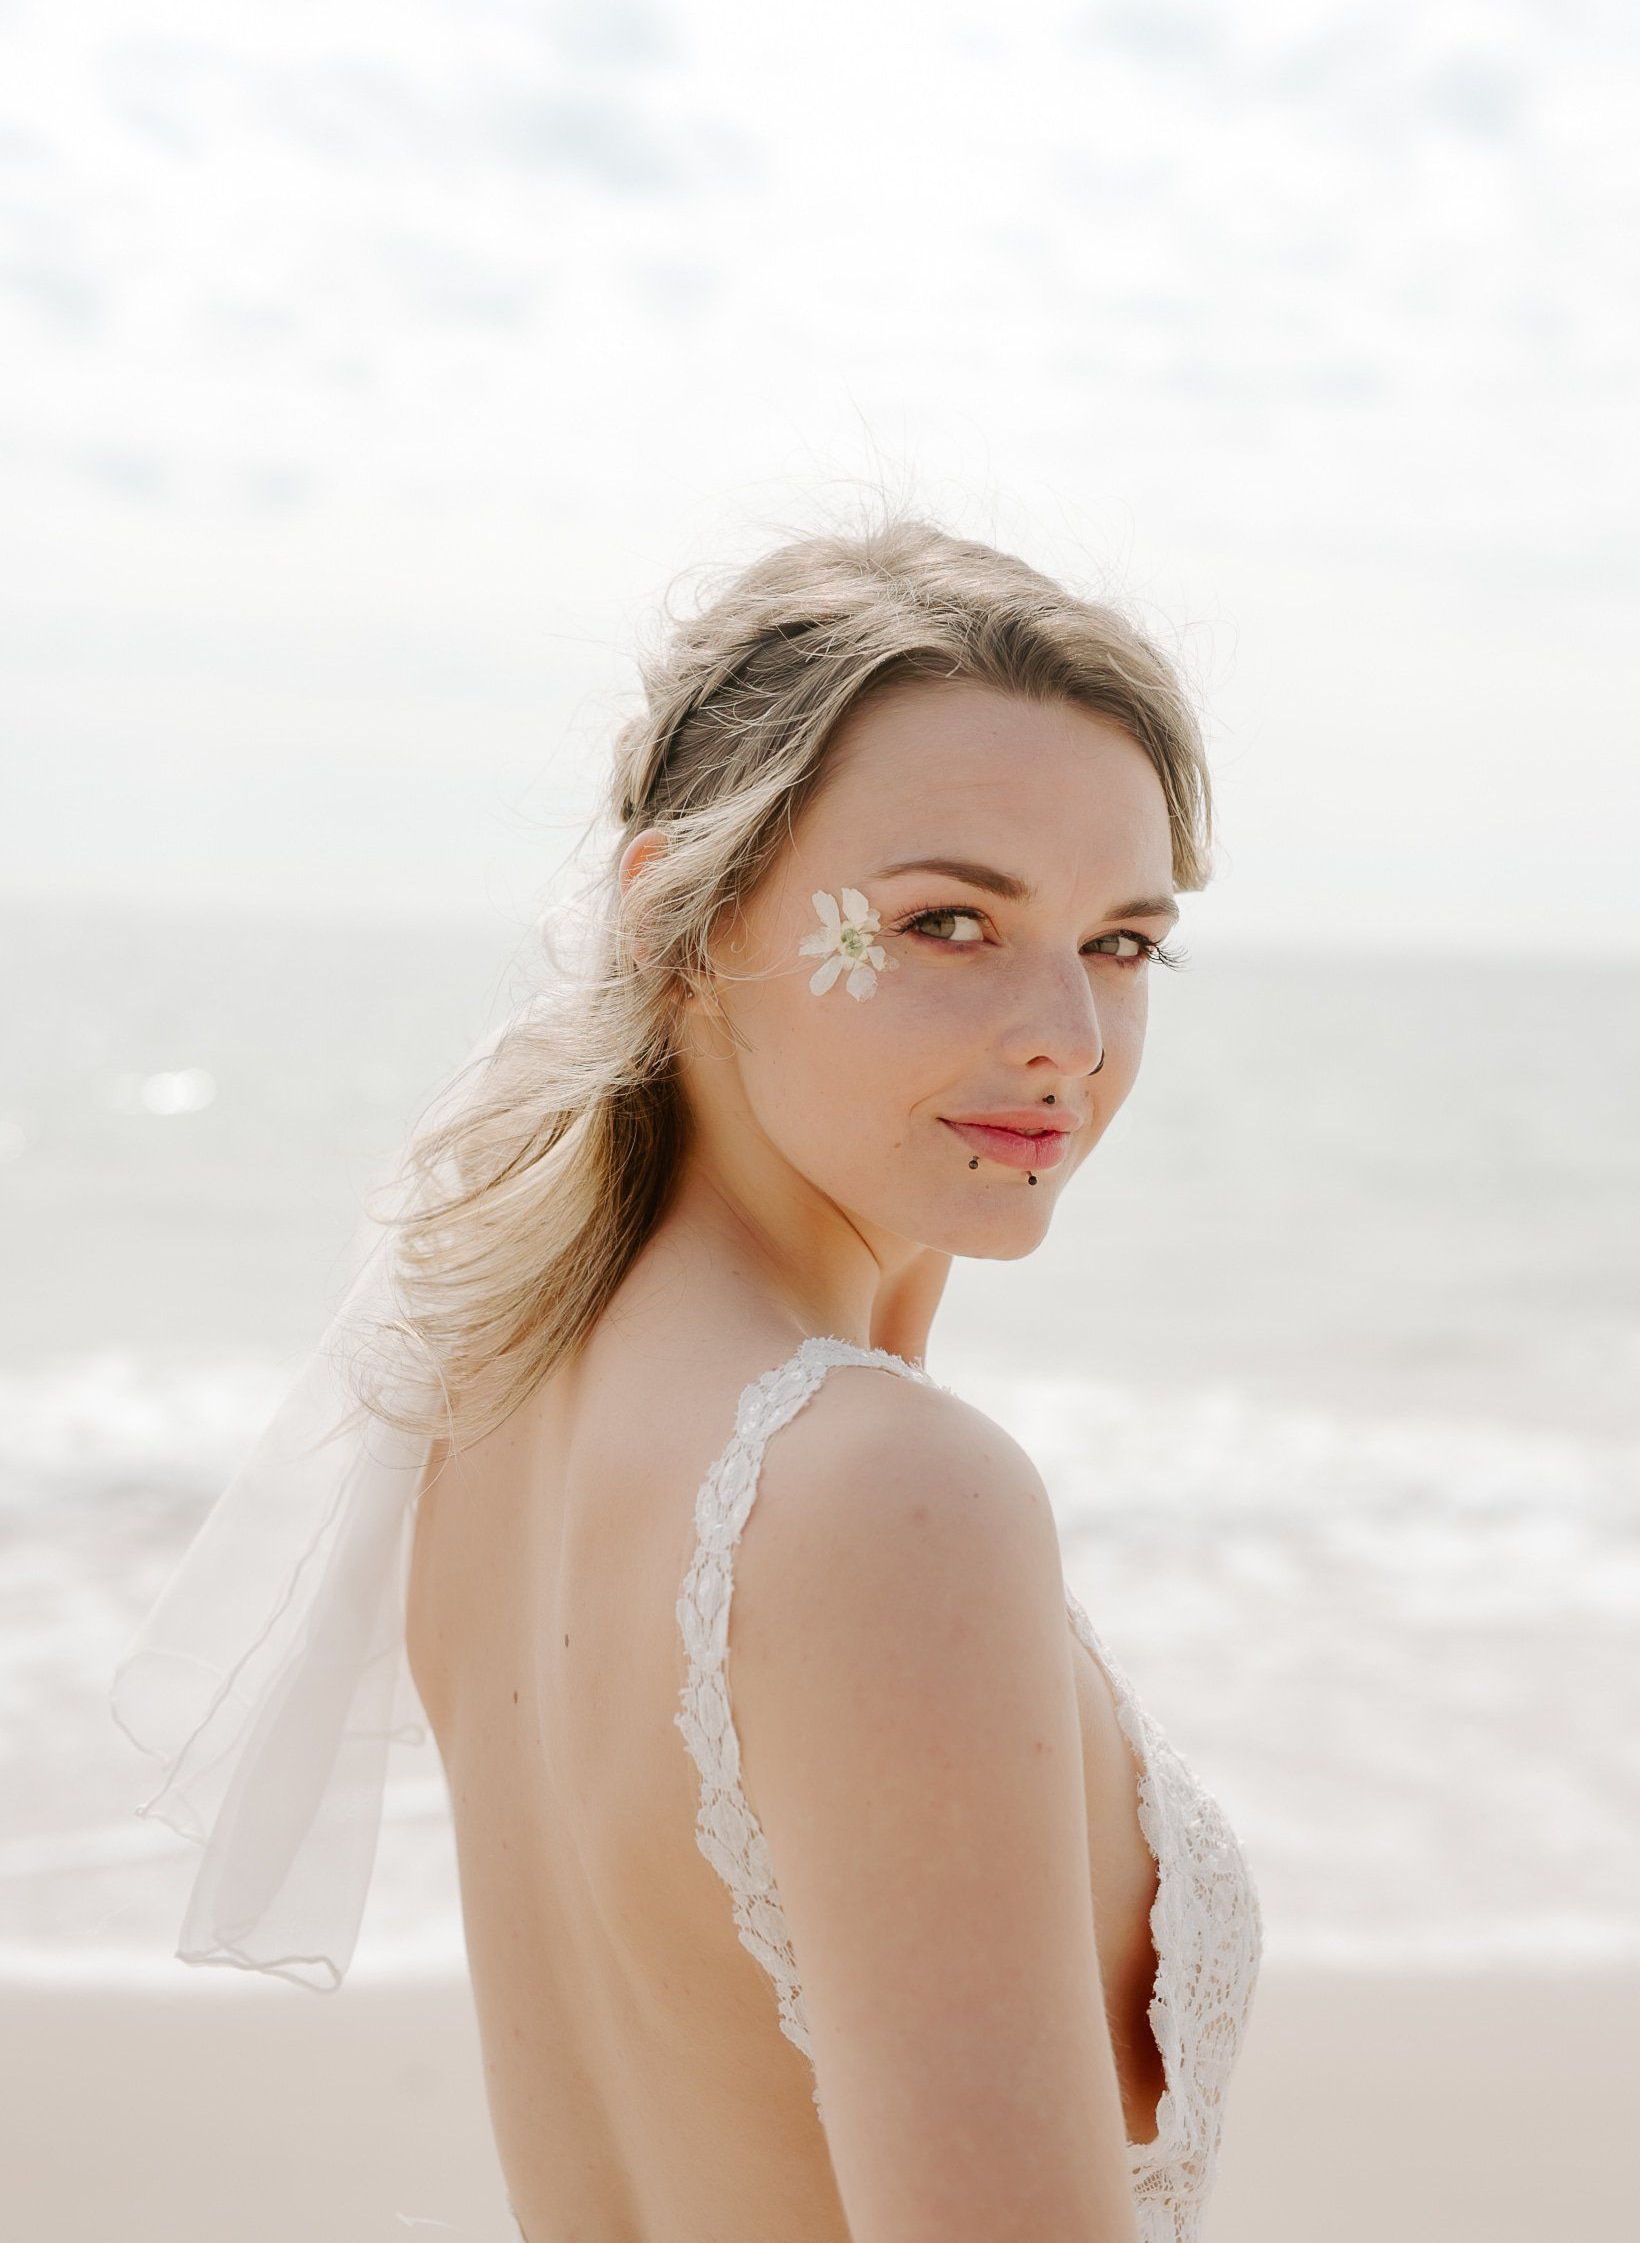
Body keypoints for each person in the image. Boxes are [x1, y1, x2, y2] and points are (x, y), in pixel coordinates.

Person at [113, 511, 1263, 2243]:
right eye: (949, 921)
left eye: (1122, 941)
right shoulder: (883, 1493)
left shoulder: (492, 1408)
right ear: (682, 918)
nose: (1069, 1039)